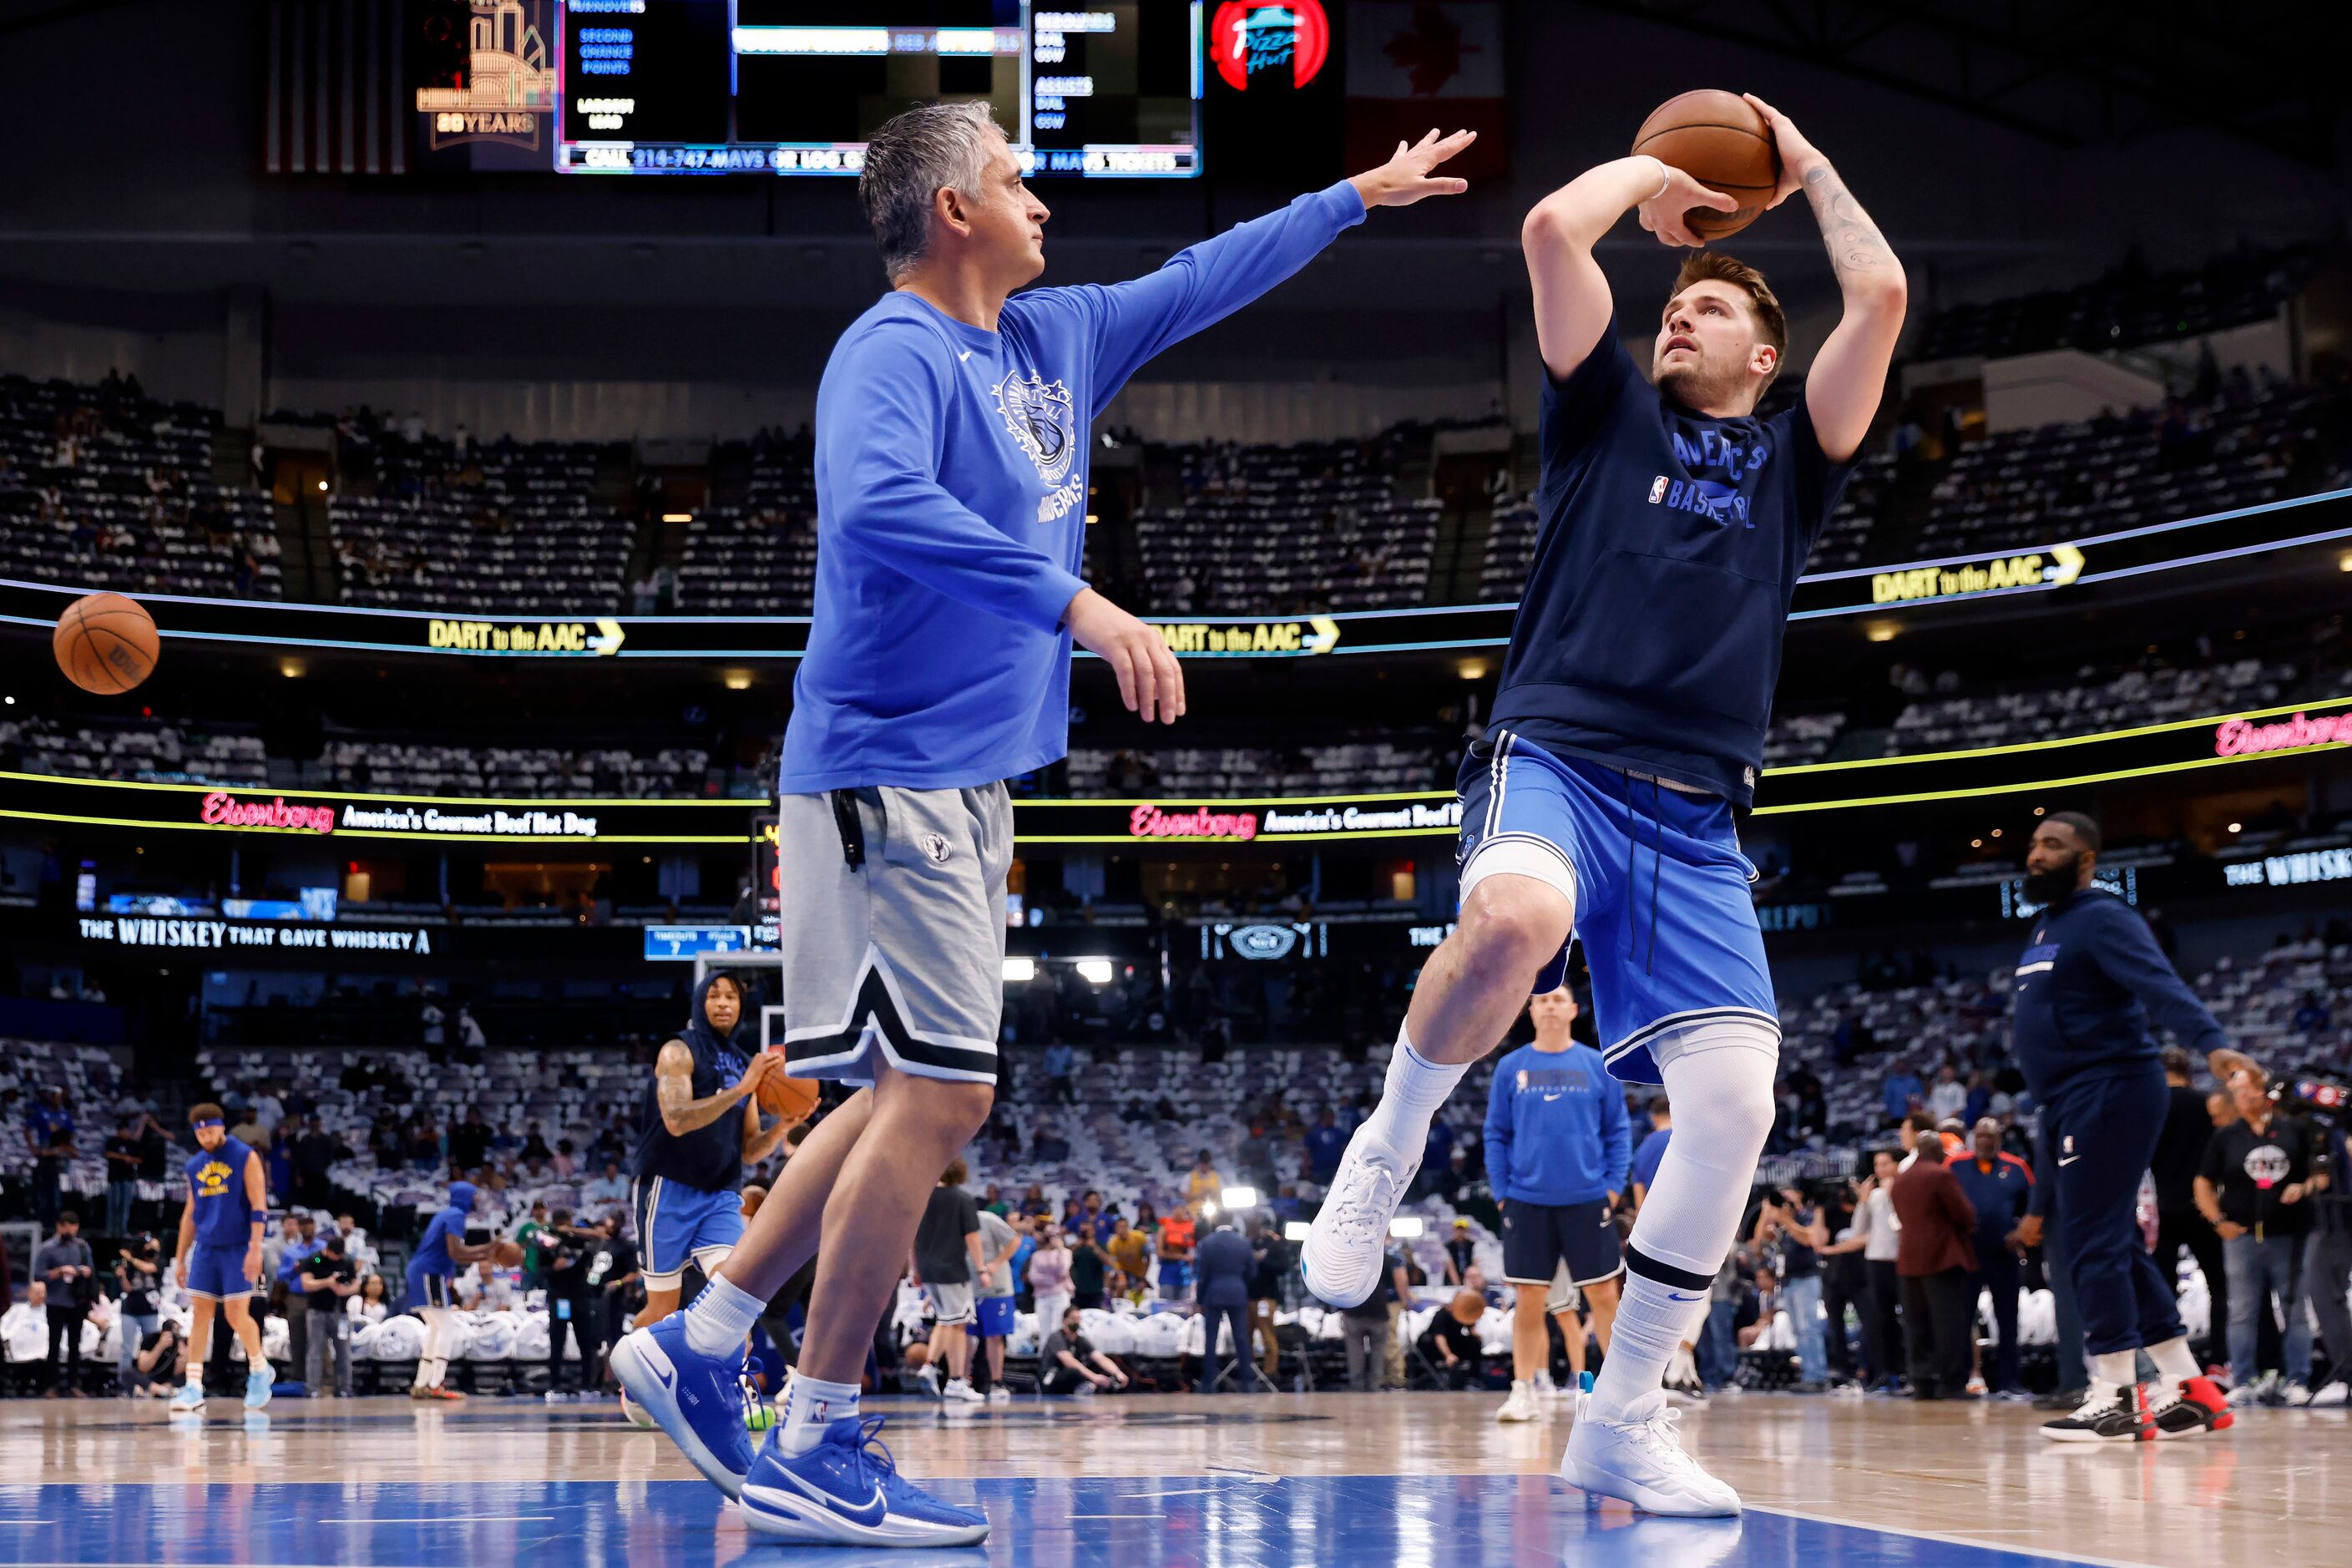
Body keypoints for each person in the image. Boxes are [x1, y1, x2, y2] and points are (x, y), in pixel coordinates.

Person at [605, 100, 1475, 1548]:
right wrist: (1074, 597)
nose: (1042, 201)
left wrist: (1351, 198)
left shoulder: (1053, 335)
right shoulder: (886, 354)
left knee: (903, 1095)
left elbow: (1203, 277)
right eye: (1016, 177)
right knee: (944, 1098)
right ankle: (812, 1425)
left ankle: (703, 1338)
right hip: (886, 768)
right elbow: (878, 504)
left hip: (958, 779)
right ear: (952, 208)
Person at [1302, 95, 1904, 1517]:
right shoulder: (1600, 409)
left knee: (1737, 1100)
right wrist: (1666, 179)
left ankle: (1624, 1414)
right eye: (1673, 304)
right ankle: (1381, 1150)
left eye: (1705, 308)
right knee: (1520, 912)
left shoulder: (1793, 463)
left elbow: (1875, 290)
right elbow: (1544, 226)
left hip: (1697, 809)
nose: (1675, 319)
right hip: (1557, 749)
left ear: (1766, 354)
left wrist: (1797, 159)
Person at [2013, 813, 2234, 1441]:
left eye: (2051, 845)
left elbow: (2160, 987)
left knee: (2090, 1243)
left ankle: (2113, 1393)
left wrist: (2211, 1045)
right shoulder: (2044, 926)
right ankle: (2190, 1389)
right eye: (2033, 843)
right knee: (2111, 1243)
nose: (2036, 853)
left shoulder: (2103, 917)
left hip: (2109, 1088)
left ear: (2085, 860)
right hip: (2069, 1099)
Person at [1485, 988, 1630, 1423]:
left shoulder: (1597, 1065)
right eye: (1540, 1000)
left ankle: (1619, 1394)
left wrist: (1611, 1190)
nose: (1549, 1005)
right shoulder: (1510, 1068)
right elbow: (1496, 1134)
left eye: (1557, 999)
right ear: (1529, 1011)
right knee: (1529, 1299)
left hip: (1587, 1199)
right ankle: (1522, 1389)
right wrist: (1501, 1193)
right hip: (1526, 1202)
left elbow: (1618, 1133)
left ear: (1573, 1010)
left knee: (1604, 1295)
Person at [625, 972, 795, 1338]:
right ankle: (627, 1367)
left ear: (741, 1007)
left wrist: (782, 1126)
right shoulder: (678, 1051)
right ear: (700, 1002)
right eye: (715, 996)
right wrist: (744, 1089)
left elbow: (750, 1151)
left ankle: (728, 1385)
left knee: (735, 1296)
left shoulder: (741, 1061)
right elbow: (676, 1120)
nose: (723, 1004)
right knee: (661, 1310)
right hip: (668, 1188)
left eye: (731, 997)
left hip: (720, 1194)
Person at [2197, 1059, 2319, 1405]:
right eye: (2236, 1091)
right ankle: (2245, 1379)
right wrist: (2217, 1221)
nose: (2242, 1096)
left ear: (2264, 1090)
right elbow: (2203, 1181)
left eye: (2247, 1088)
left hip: (2290, 1234)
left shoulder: (2294, 1128)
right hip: (2243, 1237)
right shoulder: (2226, 1137)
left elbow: (2318, 1172)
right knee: (2241, 1310)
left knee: (2294, 1307)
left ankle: (2298, 1379)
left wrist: (2304, 1186)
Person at [2151, 1046, 2228, 1363]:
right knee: (2220, 1288)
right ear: (2189, 1071)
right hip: (2204, 1208)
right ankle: (2220, 1362)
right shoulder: (2206, 1106)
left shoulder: (2149, 1107)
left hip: (2160, 1211)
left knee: (2161, 1294)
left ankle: (2170, 1368)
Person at [1889, 1132, 1976, 1400]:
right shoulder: (1940, 1175)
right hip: (1942, 1258)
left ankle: (1923, 1382)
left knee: (1917, 1325)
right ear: (1936, 1150)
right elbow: (1964, 1214)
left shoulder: (1899, 1181)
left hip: (1908, 1260)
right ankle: (1951, 1384)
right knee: (1949, 1325)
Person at [1949, 1117, 2031, 1395]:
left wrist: (2020, 1232)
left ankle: (2010, 1382)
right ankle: (1959, 1381)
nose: (1985, 1141)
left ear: (1999, 1139)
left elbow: (2033, 1206)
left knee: (2008, 1319)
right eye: (1980, 1135)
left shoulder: (2017, 1167)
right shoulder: (1955, 1165)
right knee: (1961, 1319)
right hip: (1967, 1255)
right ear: (1973, 1138)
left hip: (2003, 1255)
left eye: (1991, 1136)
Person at [404, 1179, 493, 1401]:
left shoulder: (446, 1214)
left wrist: (487, 1250)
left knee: (435, 1328)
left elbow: (455, 1252)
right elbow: (456, 1252)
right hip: (430, 1273)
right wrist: (487, 1252)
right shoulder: (455, 1216)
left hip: (423, 1271)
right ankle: (436, 1384)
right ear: (465, 1197)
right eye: (474, 1196)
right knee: (447, 1327)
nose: (476, 1200)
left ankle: (421, 1383)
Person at [908, 1159, 985, 1404]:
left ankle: (930, 1365)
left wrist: (915, 1269)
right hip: (952, 1269)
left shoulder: (922, 1198)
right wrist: (982, 1267)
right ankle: (957, 1380)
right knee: (959, 1324)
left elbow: (912, 1237)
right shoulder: (963, 1199)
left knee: (945, 1320)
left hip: (928, 1270)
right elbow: (972, 1238)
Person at [1752, 1188, 1829, 1391]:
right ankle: (1808, 1375)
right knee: (1798, 1330)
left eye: (1789, 1196)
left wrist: (1786, 1219)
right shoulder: (1781, 1224)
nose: (1784, 1202)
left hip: (1806, 1279)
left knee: (1808, 1329)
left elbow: (1809, 1239)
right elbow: (1758, 1243)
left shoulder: (1806, 1217)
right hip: (1789, 1281)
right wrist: (1766, 1214)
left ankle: (1817, 1376)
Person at [1336, 1245, 1414, 1393]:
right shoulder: (1386, 1258)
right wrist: (1405, 1301)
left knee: (1355, 1351)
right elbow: (1400, 1279)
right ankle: (1376, 1385)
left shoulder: (1349, 1259)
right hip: (1378, 1308)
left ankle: (1357, 1385)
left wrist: (1341, 1308)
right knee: (1379, 1350)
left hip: (1354, 1308)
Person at [34, 1211, 94, 1397]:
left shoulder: (82, 1246)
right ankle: (51, 1385)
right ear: (60, 1226)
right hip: (56, 1301)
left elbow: (91, 1269)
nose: (71, 1231)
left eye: (74, 1227)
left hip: (77, 1301)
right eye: (67, 1226)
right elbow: (39, 1275)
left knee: (75, 1345)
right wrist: (60, 1271)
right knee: (54, 1344)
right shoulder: (47, 1248)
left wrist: (84, 1272)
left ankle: (73, 1384)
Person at [1195, 1215, 1252, 1393]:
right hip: (1237, 1291)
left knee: (1211, 1338)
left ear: (1215, 1222)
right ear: (1232, 1222)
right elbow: (1252, 1272)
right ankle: (1247, 1382)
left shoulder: (1207, 1243)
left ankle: (1208, 1383)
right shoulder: (1244, 1243)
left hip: (1214, 1292)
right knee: (1241, 1338)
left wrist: (1200, 1299)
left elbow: (1202, 1274)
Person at [297, 1232, 357, 1397]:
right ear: (328, 1250)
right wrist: (327, 1283)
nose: (337, 1259)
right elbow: (306, 1284)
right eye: (334, 1255)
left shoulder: (346, 1262)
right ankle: (313, 1388)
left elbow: (355, 1284)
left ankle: (345, 1387)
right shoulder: (315, 1260)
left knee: (344, 1351)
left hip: (341, 1312)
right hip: (318, 1311)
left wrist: (345, 1290)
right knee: (315, 1350)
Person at [972, 1205, 1020, 1404]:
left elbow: (1014, 1241)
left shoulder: (988, 1219)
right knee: (965, 1336)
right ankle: (961, 1380)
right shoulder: (951, 1222)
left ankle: (997, 1381)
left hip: (996, 1288)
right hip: (967, 1287)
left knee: (994, 1336)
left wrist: (995, 1264)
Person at [113, 1232, 163, 1394]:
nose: (151, 1252)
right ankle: (125, 1383)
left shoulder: (159, 1262)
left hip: (150, 1311)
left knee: (149, 1347)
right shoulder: (131, 1264)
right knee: (127, 1348)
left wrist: (132, 1258)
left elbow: (149, 1268)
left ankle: (148, 1382)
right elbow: (127, 1288)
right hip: (130, 1310)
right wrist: (122, 1276)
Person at [1039, 1304, 1127, 1395]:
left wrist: (1117, 1373)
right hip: (1051, 1376)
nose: (1076, 1322)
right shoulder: (1056, 1337)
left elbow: (1100, 1358)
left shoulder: (1081, 1340)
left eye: (1078, 1319)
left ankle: (1088, 1387)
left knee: (1100, 1374)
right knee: (1074, 1372)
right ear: (1064, 1320)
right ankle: (1084, 1386)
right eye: (1073, 1319)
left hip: (1070, 1378)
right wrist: (1093, 1377)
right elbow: (1069, 1361)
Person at [1420, 1290, 1490, 1389]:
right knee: (1426, 1341)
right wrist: (1448, 1355)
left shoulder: (1464, 1311)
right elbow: (1439, 1337)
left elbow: (1471, 1328)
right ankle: (1431, 1379)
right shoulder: (1442, 1314)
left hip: (1453, 1341)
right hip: (1436, 1345)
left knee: (1474, 1341)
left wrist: (1477, 1337)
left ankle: (1473, 1378)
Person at [1027, 1221, 1074, 1336]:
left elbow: (1063, 1272)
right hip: (1042, 1296)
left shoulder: (1066, 1253)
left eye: (1056, 1236)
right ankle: (1044, 1353)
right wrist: (1052, 1280)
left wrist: (1060, 1251)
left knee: (1058, 1328)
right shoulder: (1037, 1255)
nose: (1054, 1239)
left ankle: (1058, 1352)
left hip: (1060, 1295)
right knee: (1044, 1330)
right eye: (1051, 1236)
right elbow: (1033, 1277)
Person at [1628, 1098, 1672, 1212]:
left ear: (1653, 1118)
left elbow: (1639, 1192)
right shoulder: (1688, 1142)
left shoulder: (1642, 1149)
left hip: (1657, 1216)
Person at [104, 1114, 144, 1236]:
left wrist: (129, 1159)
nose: (127, 1133)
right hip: (114, 1178)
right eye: (125, 1131)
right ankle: (110, 1231)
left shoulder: (132, 1144)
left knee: (125, 1206)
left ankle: (122, 1231)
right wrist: (123, 1158)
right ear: (119, 1131)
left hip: (128, 1178)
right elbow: (108, 1154)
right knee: (113, 1206)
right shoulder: (112, 1142)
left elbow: (140, 1159)